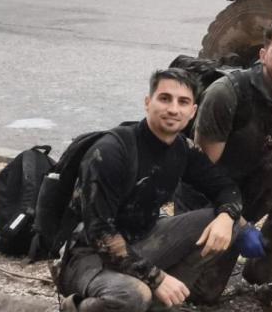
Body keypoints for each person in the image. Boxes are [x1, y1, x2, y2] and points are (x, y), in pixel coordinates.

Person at [56, 69, 245, 312]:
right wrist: (157, 278)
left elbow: (225, 187)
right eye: (165, 98)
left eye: (183, 102)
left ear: (193, 111)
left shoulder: (182, 149)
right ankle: (76, 307)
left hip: (141, 241)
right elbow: (100, 234)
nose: (173, 109)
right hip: (87, 256)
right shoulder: (111, 151)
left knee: (231, 223)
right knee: (134, 295)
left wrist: (227, 216)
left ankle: (160, 305)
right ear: (148, 103)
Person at [178, 21, 272, 290]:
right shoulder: (226, 94)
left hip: (251, 182)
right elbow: (199, 177)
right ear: (263, 55)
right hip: (207, 201)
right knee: (203, 293)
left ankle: (263, 267)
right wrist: (238, 224)